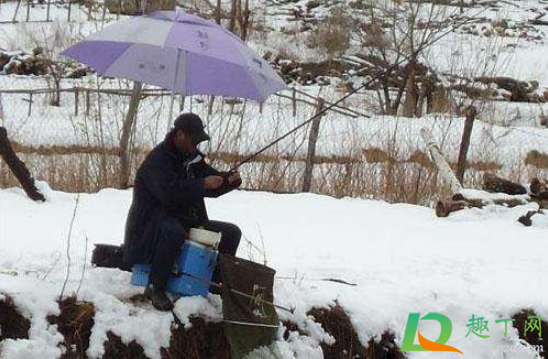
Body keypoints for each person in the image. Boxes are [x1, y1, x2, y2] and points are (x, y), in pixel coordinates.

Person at [123, 113, 242, 311]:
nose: (197, 146)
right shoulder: (157, 160)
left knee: (231, 233)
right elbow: (169, 193)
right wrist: (202, 183)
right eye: (194, 140)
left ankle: (214, 282)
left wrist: (228, 181)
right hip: (150, 225)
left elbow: (211, 184)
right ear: (180, 135)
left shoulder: (192, 159)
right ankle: (156, 287)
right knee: (173, 231)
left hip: (183, 219)